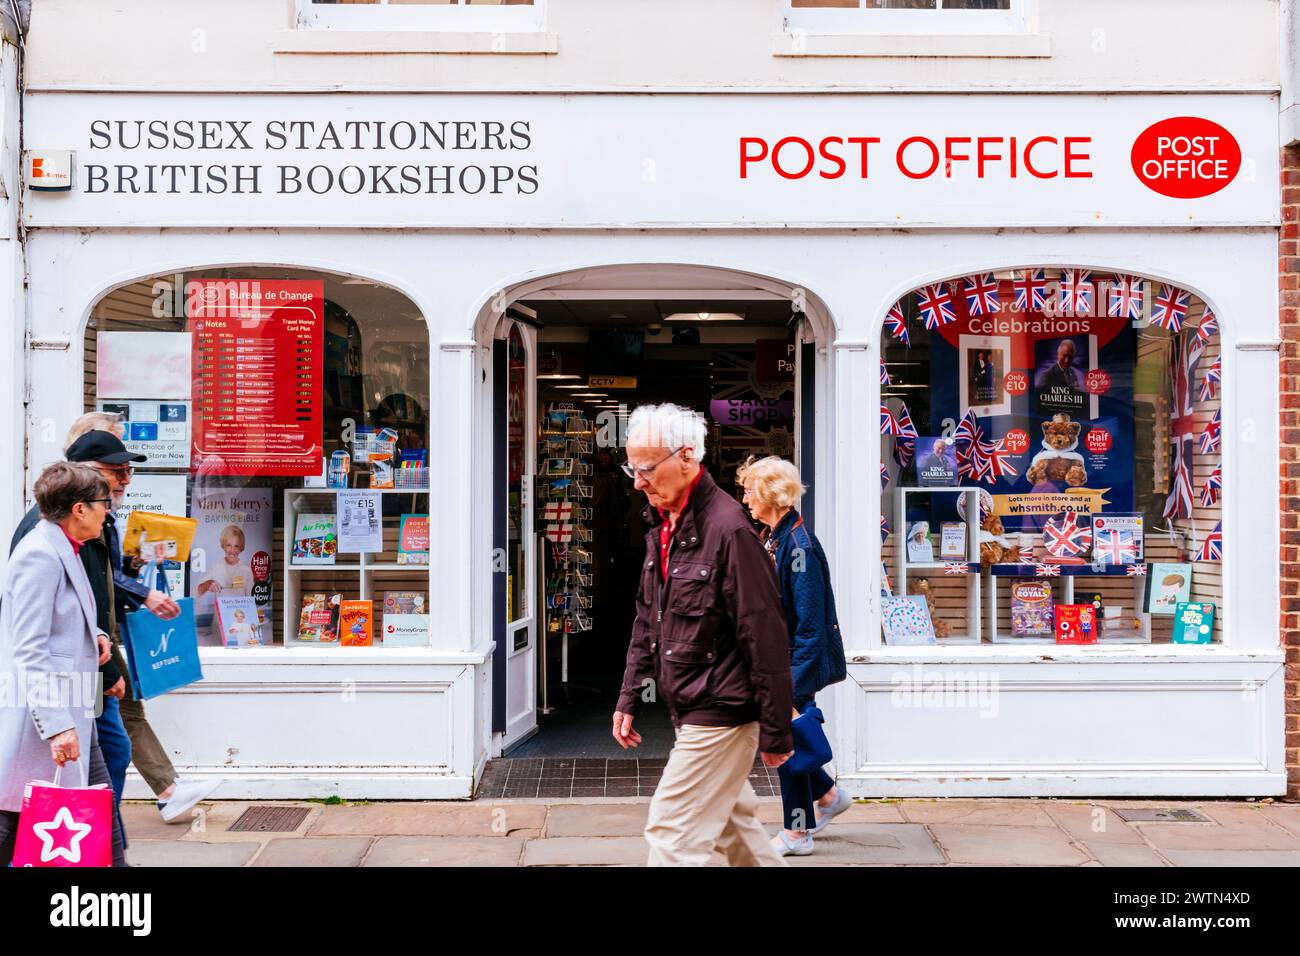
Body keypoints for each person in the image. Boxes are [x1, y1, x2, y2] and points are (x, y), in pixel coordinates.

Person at [12, 421, 223, 823]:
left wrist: (135, 568)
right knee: (108, 749)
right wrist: (105, 666)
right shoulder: (46, 541)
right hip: (72, 672)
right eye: (117, 472)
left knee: (108, 750)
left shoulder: (90, 525)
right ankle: (103, 831)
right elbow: (34, 636)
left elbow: (96, 588)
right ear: (87, 478)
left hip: (90, 654)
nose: (124, 483)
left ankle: (107, 836)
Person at [612, 403, 794, 867]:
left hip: (722, 712)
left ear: (687, 457)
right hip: (693, 704)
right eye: (632, 468)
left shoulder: (729, 530)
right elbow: (647, 617)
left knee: (671, 833)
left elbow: (765, 635)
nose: (637, 481)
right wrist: (628, 695)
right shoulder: (664, 527)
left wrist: (776, 731)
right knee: (739, 837)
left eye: (648, 469)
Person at [0, 462, 127, 866]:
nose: (108, 510)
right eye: (103, 503)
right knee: (14, 819)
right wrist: (57, 726)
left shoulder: (64, 547)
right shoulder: (38, 555)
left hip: (72, 709)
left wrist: (96, 638)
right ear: (79, 509)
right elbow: (29, 648)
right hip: (45, 716)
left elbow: (60, 620)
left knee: (96, 815)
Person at [738, 456, 852, 857]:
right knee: (792, 741)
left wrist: (789, 685)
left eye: (751, 490)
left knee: (785, 742)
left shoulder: (798, 546)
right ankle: (829, 795)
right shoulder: (778, 535)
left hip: (793, 663)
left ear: (771, 493)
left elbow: (809, 626)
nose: (746, 497)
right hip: (781, 660)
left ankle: (797, 832)